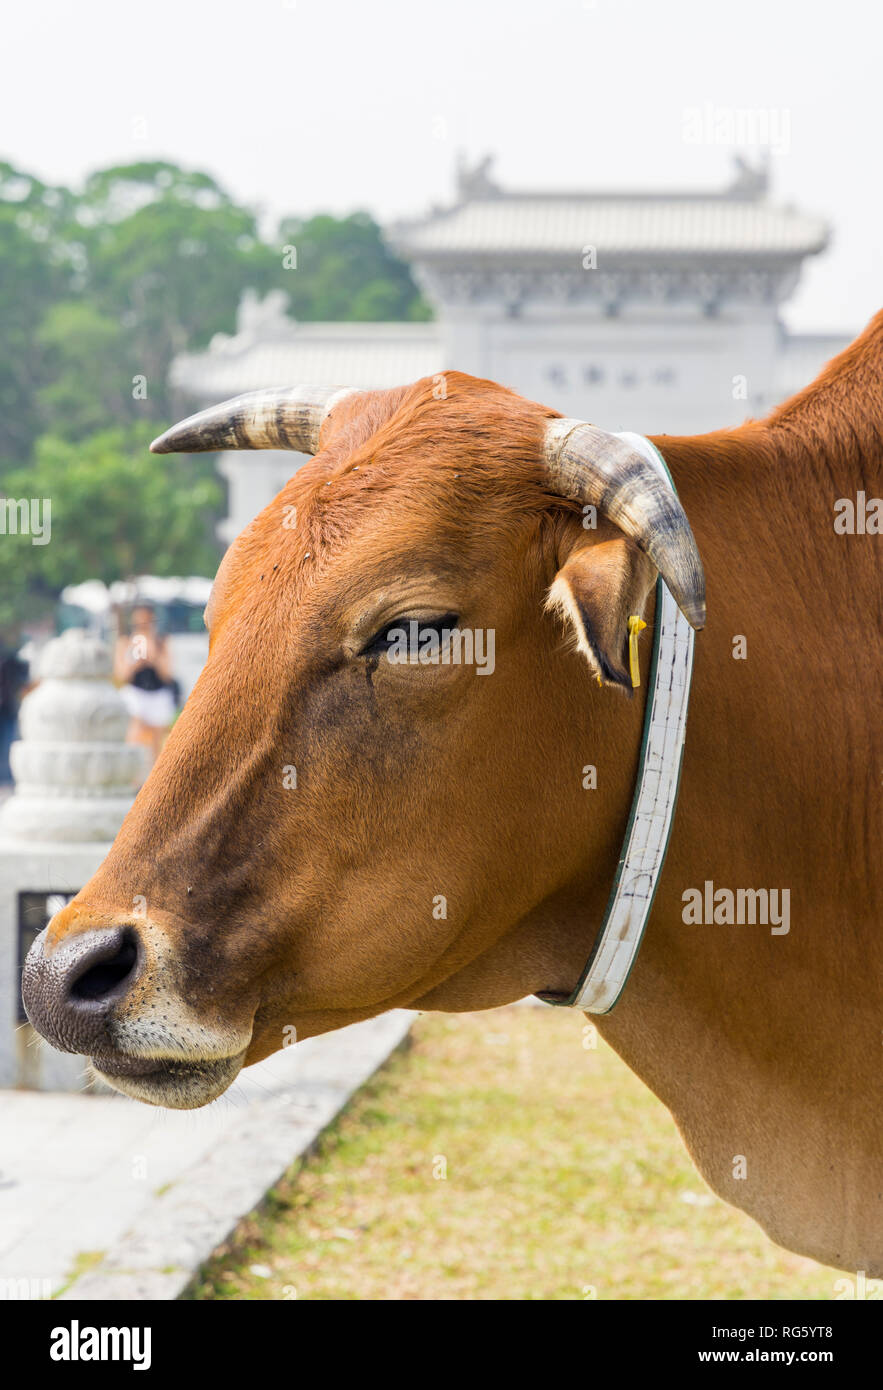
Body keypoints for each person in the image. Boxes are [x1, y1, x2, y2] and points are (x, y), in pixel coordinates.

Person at [114, 604, 175, 770]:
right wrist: (135, 660)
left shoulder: (161, 641)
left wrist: (153, 656)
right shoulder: (126, 641)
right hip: (136, 691)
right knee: (135, 728)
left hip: (157, 692)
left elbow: (167, 674)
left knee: (157, 740)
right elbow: (121, 675)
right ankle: (130, 770)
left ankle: (154, 773)